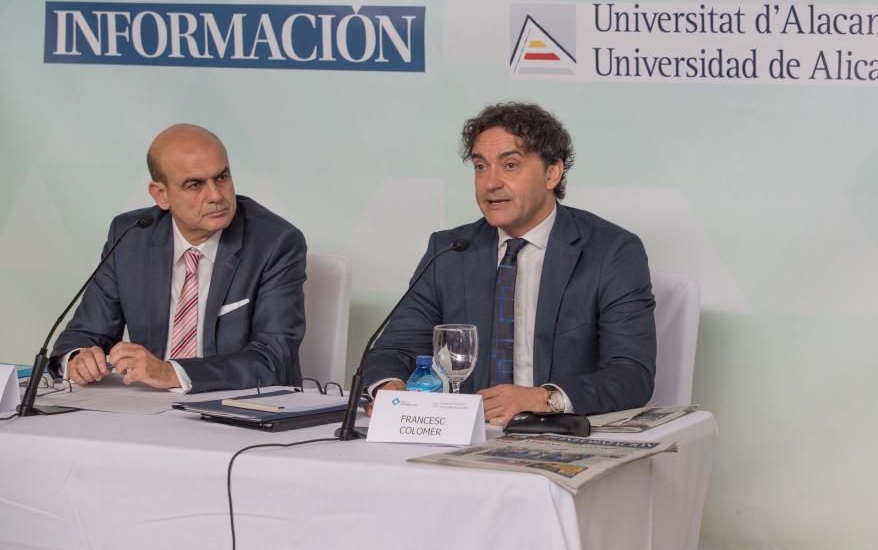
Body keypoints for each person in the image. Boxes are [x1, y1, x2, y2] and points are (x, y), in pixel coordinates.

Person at [364, 102, 656, 424]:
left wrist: (543, 398)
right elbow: (394, 350)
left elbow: (631, 375)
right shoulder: (451, 251)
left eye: (511, 166)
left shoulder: (610, 251)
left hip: (558, 433)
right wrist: (389, 387)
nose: (490, 183)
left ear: (552, 173)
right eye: (480, 167)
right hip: (465, 435)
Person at [49, 124, 307, 393]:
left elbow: (275, 360)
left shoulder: (275, 242)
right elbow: (85, 334)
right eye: (195, 185)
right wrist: (78, 359)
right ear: (161, 195)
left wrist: (171, 373)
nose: (216, 196)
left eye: (222, 177)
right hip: (146, 408)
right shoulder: (131, 236)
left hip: (234, 409)